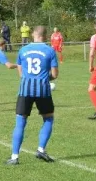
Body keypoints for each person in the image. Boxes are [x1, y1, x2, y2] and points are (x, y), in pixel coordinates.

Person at [6, 26, 58, 166]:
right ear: (45, 35)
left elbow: (20, 72)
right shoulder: (50, 50)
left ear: (33, 34)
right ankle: (41, 149)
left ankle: (14, 157)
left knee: (20, 122)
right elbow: (54, 74)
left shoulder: (23, 50)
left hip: (25, 89)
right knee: (48, 118)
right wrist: (45, 78)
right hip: (43, 90)